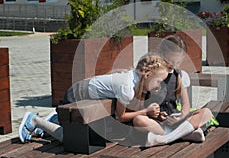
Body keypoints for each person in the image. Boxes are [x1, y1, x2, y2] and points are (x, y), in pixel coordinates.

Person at [18, 53, 169, 143]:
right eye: (158, 80)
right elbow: (121, 116)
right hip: (76, 96)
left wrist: (152, 113)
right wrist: (145, 112)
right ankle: (35, 121)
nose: (159, 85)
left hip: (86, 97)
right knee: (73, 140)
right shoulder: (127, 87)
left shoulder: (134, 79)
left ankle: (55, 119)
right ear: (148, 75)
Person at [132, 34, 218, 146]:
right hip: (155, 122)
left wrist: (181, 116)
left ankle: (167, 138)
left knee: (206, 113)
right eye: (169, 60)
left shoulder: (179, 75)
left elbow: (186, 105)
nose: (173, 65)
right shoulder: (150, 72)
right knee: (138, 120)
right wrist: (153, 113)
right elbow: (138, 105)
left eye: (177, 62)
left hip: (173, 119)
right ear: (160, 54)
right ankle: (184, 134)